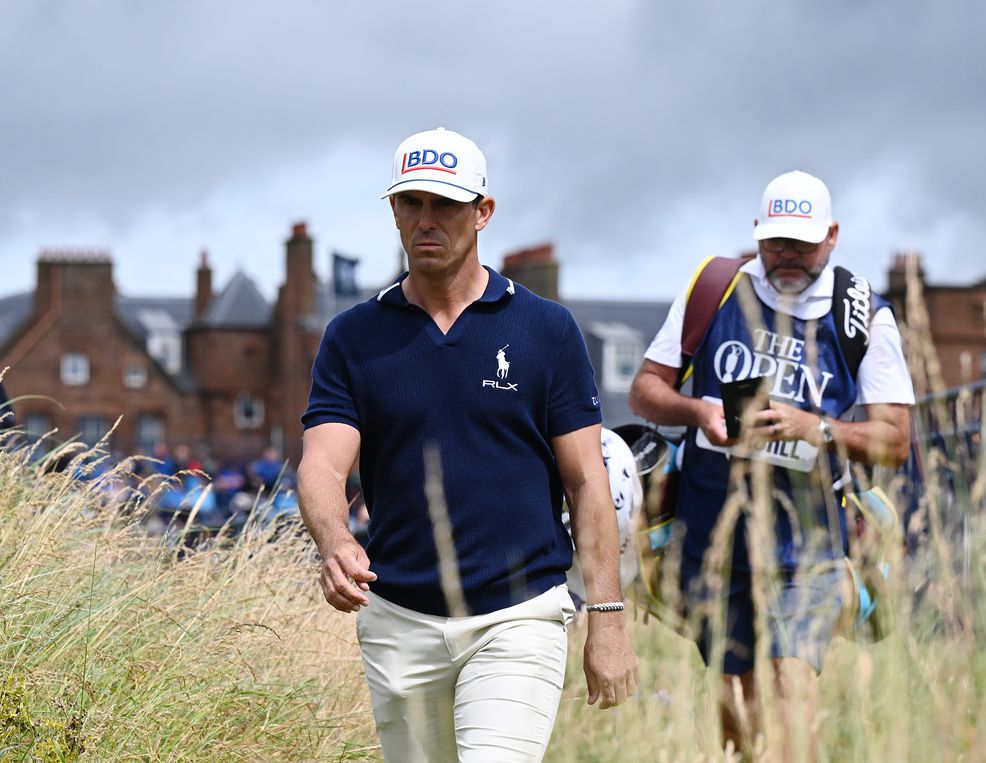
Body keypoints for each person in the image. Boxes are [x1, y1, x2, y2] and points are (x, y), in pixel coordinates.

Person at [298, 127, 638, 762]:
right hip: (398, 618)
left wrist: (608, 620)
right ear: (394, 211)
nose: (427, 221)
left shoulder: (546, 329)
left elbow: (587, 480)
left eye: (446, 204)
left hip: (519, 615)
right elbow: (322, 460)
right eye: (412, 203)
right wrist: (335, 539)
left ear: (482, 211)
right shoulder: (352, 336)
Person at [629, 170, 914, 756]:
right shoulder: (715, 290)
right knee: (738, 707)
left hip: (806, 550)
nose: (787, 256)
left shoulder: (861, 315)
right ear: (757, 233)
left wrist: (819, 428)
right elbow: (644, 391)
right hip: (714, 540)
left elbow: (897, 439)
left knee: (790, 692)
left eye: (802, 243)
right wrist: (697, 410)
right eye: (776, 241)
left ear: (832, 236)